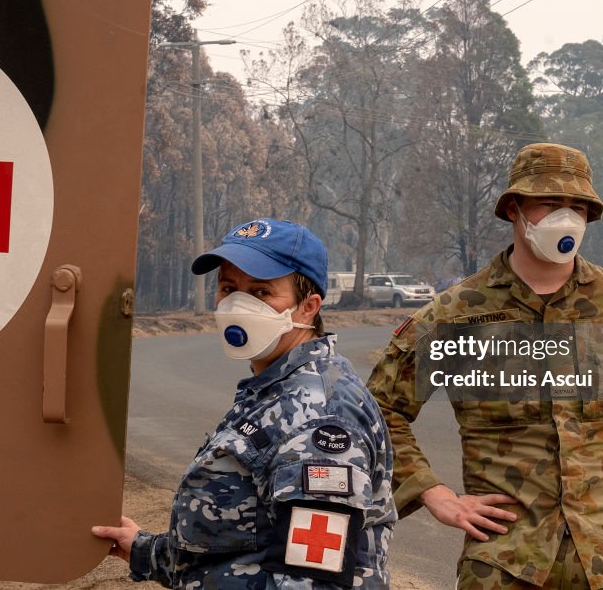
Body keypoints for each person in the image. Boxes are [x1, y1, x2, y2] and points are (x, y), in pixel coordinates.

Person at [366, 143, 603, 589]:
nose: (566, 218)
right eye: (550, 204)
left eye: (578, 207)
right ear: (515, 209)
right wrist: (430, 492)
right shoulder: (457, 313)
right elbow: (378, 411)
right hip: (504, 563)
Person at [93, 218, 395, 588]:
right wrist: (145, 551)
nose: (238, 305)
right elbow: (240, 541)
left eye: (262, 292)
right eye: (228, 288)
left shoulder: (320, 417)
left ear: (308, 307)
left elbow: (312, 580)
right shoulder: (274, 388)